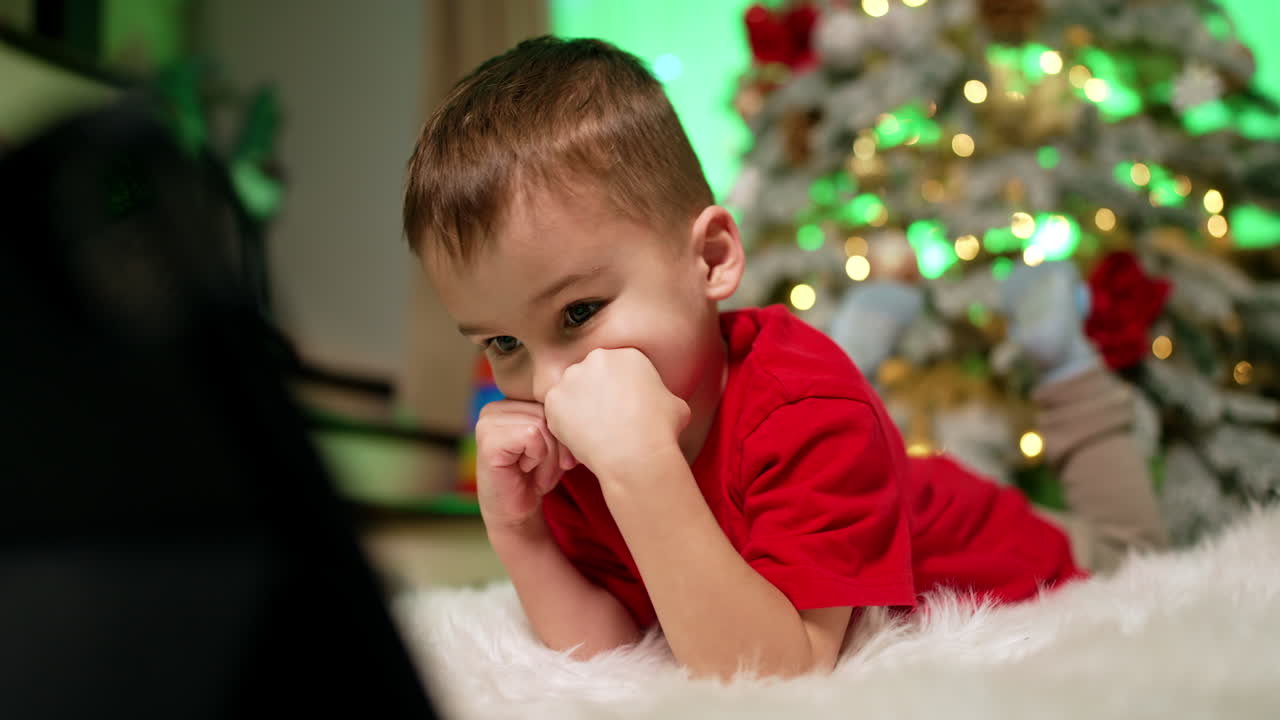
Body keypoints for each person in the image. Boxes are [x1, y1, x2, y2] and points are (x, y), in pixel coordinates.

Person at [401, 36, 1165, 681]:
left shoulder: (804, 408)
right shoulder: (570, 434)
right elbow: (617, 655)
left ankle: (1063, 360)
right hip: (885, 510)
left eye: (578, 313)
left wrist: (644, 473)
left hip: (1031, 560)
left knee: (1139, 556)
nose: (550, 381)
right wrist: (521, 534)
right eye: (503, 343)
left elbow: (779, 677)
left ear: (712, 259)